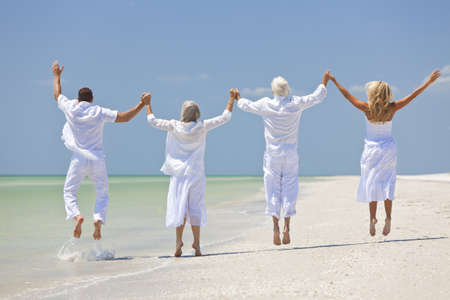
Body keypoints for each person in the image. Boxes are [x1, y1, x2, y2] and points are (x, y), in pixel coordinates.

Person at [328, 69, 441, 236]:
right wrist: (428, 82)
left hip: (371, 150)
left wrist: (334, 81)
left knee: (372, 184)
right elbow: (412, 96)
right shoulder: (392, 108)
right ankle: (388, 217)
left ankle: (373, 218)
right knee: (387, 183)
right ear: (387, 94)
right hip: (388, 149)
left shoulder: (366, 108)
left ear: (372, 94)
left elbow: (347, 95)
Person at [51, 61, 150, 240]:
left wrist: (57, 76)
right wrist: (142, 105)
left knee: (69, 191)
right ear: (92, 99)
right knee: (102, 193)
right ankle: (97, 219)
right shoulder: (98, 111)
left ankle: (77, 215)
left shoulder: (71, 108)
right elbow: (124, 118)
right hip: (97, 158)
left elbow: (57, 94)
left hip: (79, 158)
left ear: (78, 99)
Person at [236, 72, 330, 245]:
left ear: (273, 90)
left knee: (272, 189)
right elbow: (317, 97)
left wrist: (237, 97)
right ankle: (287, 227)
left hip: (272, 154)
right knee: (289, 188)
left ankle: (275, 228)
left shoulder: (266, 104)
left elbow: (246, 106)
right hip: (290, 153)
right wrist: (324, 81)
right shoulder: (295, 103)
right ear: (287, 89)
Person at [145, 89, 236, 256]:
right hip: (196, 173)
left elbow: (152, 121)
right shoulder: (201, 127)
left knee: (179, 207)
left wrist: (147, 104)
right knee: (195, 208)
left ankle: (178, 241)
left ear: (182, 113)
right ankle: (197, 244)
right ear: (197, 113)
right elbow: (225, 117)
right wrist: (231, 99)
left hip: (179, 174)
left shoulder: (174, 126)